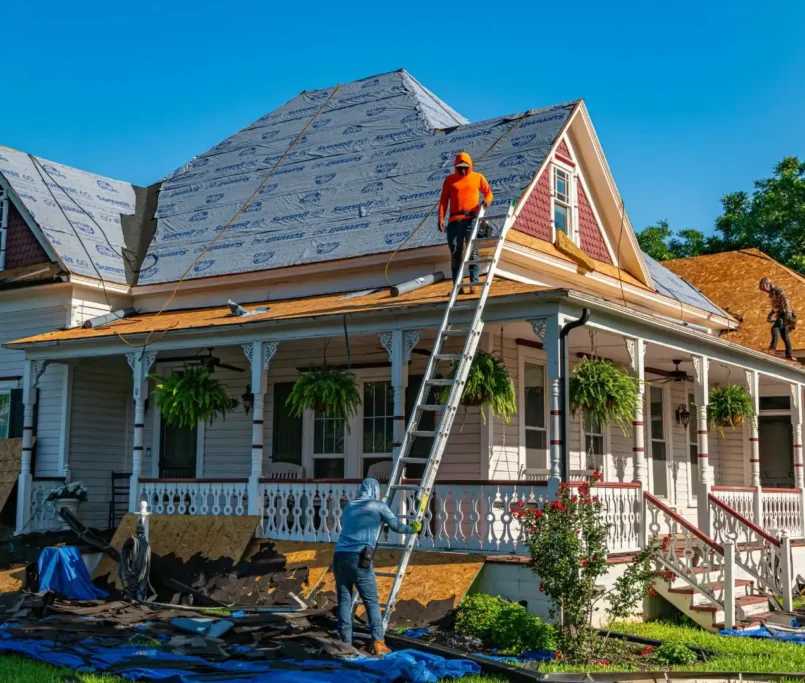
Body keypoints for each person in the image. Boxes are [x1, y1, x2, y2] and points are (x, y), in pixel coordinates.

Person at [332, 477, 422, 655]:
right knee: (371, 601)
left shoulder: (350, 506)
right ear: (375, 490)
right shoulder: (378, 506)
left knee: (344, 600)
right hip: (359, 557)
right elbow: (396, 526)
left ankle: (345, 643)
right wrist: (413, 528)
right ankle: (378, 643)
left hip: (339, 555)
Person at [438, 152, 494, 294]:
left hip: (471, 219)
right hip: (454, 221)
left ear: (469, 166)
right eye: (459, 167)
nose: (462, 170)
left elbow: (488, 193)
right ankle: (458, 286)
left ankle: (473, 282)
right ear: (456, 167)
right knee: (456, 253)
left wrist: (486, 202)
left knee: (472, 251)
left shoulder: (477, 177)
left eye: (465, 167)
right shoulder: (450, 180)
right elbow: (444, 201)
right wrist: (440, 218)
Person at [760, 277, 796, 359]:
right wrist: (770, 314)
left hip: (784, 314)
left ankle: (772, 348)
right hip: (781, 313)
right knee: (784, 336)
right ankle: (789, 355)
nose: (765, 291)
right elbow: (776, 307)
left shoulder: (778, 290)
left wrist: (787, 311)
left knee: (775, 329)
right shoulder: (772, 293)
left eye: (764, 288)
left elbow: (785, 299)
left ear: (767, 284)